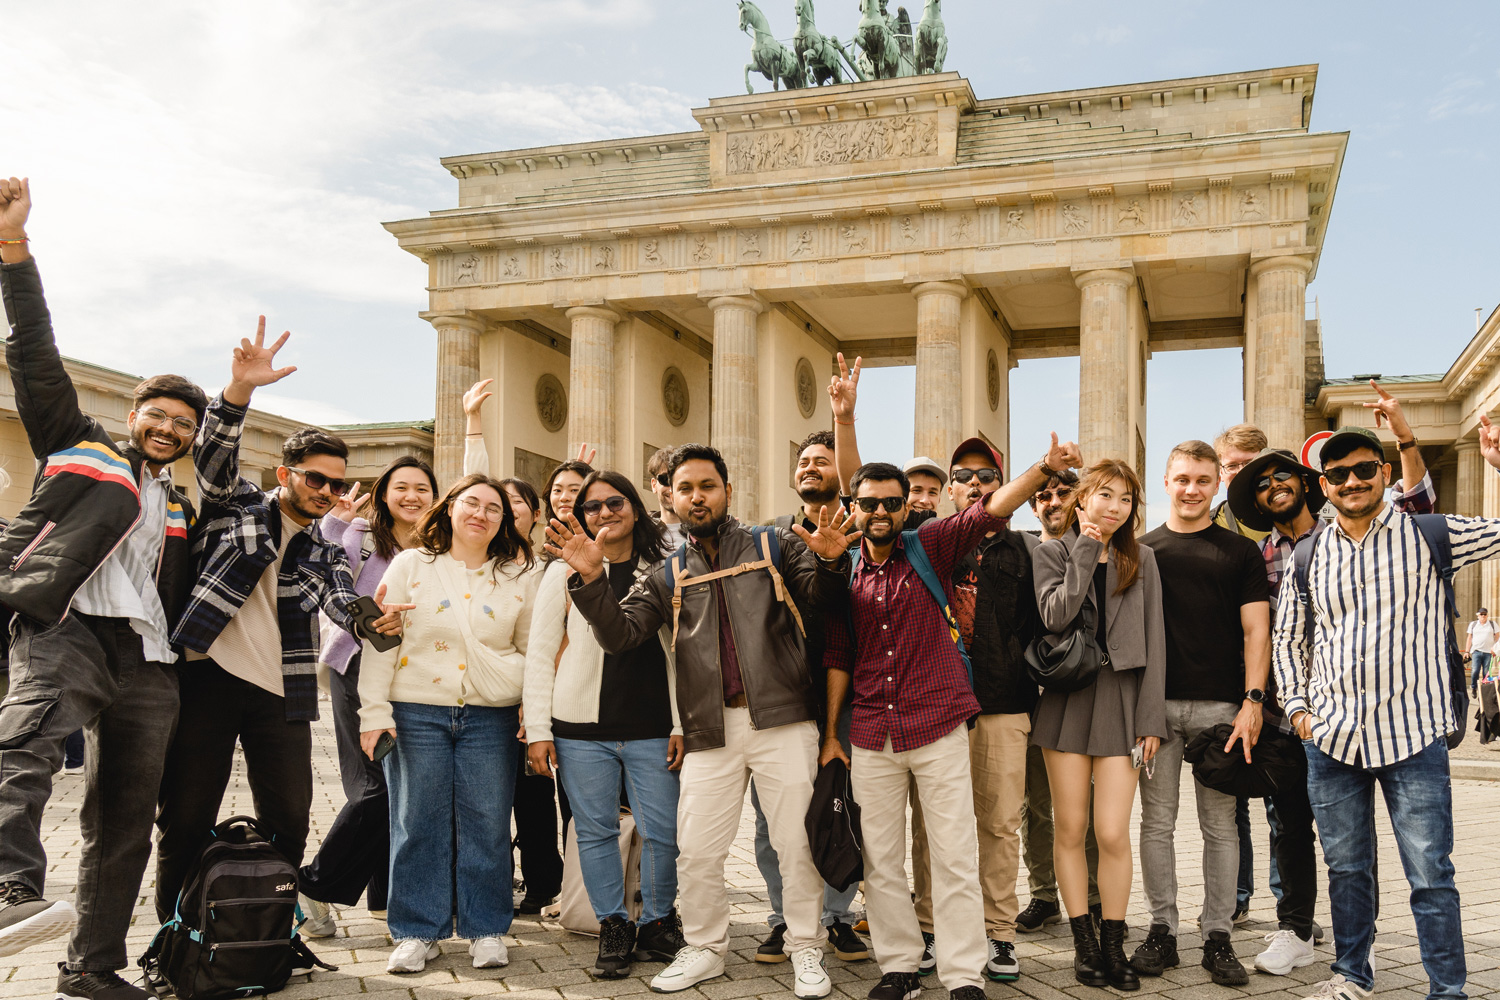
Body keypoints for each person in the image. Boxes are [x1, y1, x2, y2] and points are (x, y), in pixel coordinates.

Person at [0, 176, 208, 1000]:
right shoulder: (80, 448)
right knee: (25, 744)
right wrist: (15, 254)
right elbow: (36, 358)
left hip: (149, 663)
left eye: (182, 425)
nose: (167, 429)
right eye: (158, 415)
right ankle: (10, 887)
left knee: (123, 822)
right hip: (70, 626)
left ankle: (92, 967)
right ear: (134, 413)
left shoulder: (182, 501)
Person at [551, 443, 857, 998]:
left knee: (795, 844)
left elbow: (824, 603)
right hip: (709, 729)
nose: (697, 498)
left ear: (727, 491)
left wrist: (832, 562)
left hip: (784, 720)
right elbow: (621, 636)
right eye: (685, 488)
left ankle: (807, 950)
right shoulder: (668, 570)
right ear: (670, 495)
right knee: (696, 848)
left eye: (707, 486)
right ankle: (704, 947)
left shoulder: (773, 543)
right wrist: (594, 580)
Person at [153, 319, 407, 927]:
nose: (326, 490)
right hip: (208, 677)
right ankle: (174, 935)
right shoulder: (237, 506)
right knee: (186, 817)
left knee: (290, 821)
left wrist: (380, 623)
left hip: (282, 691)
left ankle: (269, 934)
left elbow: (341, 598)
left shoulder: (322, 549)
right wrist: (238, 392)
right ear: (285, 475)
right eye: (315, 478)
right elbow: (214, 458)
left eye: (337, 483)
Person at [823, 429, 1081, 1000]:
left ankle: (963, 973)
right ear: (856, 509)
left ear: (905, 506)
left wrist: (1044, 467)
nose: (883, 511)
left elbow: (990, 510)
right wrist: (830, 736)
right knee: (883, 861)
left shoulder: (930, 545)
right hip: (871, 732)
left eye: (893, 501)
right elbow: (839, 654)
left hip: (937, 723)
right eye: (870, 503)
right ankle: (899, 968)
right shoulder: (846, 572)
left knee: (955, 852)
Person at [1272, 422, 1500, 1000]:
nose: (1351, 481)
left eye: (1363, 469)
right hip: (1331, 739)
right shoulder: (1308, 553)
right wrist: (1300, 713)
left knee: (1430, 876)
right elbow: (1289, 641)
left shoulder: (1431, 534)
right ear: (1324, 485)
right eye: (1338, 474)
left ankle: (1448, 989)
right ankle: (1351, 976)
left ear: (1385, 474)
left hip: (1413, 735)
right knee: (1347, 872)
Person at [358, 473, 539, 974]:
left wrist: (525, 699)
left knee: (487, 820)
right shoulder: (411, 564)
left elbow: (531, 649)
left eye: (494, 508)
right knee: (417, 821)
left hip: (490, 716)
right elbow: (383, 639)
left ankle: (486, 929)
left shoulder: (518, 576)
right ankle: (418, 931)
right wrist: (373, 714)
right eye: (471, 503)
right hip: (416, 712)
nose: (481, 513)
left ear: (505, 521)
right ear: (450, 509)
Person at [897, 437, 1051, 983]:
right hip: (936, 709)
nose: (974, 484)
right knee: (932, 828)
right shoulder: (925, 545)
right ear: (949, 488)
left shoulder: (1027, 551)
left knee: (999, 824)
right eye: (962, 475)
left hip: (1003, 705)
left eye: (988, 476)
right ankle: (930, 928)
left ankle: (998, 933)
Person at [525, 470, 687, 979]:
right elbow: (540, 653)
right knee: (593, 831)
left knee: (663, 831)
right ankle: (613, 925)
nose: (604, 513)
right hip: (579, 727)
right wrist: (538, 730)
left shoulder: (662, 569)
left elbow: (682, 652)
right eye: (592, 507)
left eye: (615, 502)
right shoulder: (560, 573)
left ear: (636, 509)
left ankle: (659, 921)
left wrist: (682, 723)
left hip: (653, 724)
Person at [1131, 442, 1269, 987]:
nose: (1192, 489)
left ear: (1217, 486)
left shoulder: (1240, 553)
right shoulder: (1141, 551)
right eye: (1182, 478)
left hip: (1221, 710)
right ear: (1165, 482)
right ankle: (1162, 930)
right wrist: (1139, 713)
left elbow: (1256, 631)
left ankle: (1218, 937)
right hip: (1156, 710)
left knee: (1219, 827)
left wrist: (1252, 704)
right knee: (1157, 823)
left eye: (1203, 480)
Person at [1032, 459, 1166, 991]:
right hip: (1066, 703)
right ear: (1080, 499)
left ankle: (1115, 943)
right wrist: (1084, 548)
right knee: (1070, 829)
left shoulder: (1145, 560)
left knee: (1111, 832)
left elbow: (1156, 643)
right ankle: (1083, 944)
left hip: (1125, 704)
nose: (1114, 507)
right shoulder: (1052, 552)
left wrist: (1151, 719)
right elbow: (1055, 616)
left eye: (1125, 498)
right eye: (1104, 495)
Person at [297, 456, 438, 937]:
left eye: (422, 488)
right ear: (384, 495)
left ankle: (384, 900)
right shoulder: (357, 533)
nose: (412, 497)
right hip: (358, 664)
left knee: (399, 786)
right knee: (374, 786)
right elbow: (317, 562)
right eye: (401, 487)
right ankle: (313, 887)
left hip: (417, 675)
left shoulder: (438, 545)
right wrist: (336, 520)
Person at [752, 430, 865, 966]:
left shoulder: (863, 527)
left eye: (822, 461)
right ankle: (782, 919)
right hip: (784, 694)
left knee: (842, 806)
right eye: (803, 461)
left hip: (850, 686)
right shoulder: (769, 535)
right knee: (773, 817)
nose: (810, 468)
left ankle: (838, 918)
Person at [462, 379, 568, 913]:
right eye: (498, 504)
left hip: (530, 698)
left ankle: (546, 882)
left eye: (516, 503)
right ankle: (493, 885)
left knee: (533, 797)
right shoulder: (478, 560)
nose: (505, 510)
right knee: (485, 801)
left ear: (531, 512)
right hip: (479, 700)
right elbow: (467, 483)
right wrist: (473, 425)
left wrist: (536, 701)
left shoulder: (545, 565)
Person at [1016, 469, 1102, 935]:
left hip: (1083, 690)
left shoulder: (1095, 547)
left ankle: (1092, 897)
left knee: (1084, 805)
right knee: (1036, 804)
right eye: (1042, 495)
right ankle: (1043, 894)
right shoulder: (1024, 549)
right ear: (1032, 507)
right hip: (1034, 693)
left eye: (1062, 492)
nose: (1051, 501)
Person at [647, 446, 689, 547]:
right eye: (665, 480)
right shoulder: (641, 533)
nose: (672, 489)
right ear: (654, 485)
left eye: (679, 481)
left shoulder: (707, 533)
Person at [1465, 609, 1495, 695]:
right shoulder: (1473, 624)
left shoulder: (1492, 624)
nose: (1483, 616)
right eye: (1481, 614)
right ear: (1478, 615)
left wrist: (1495, 649)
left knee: (1486, 672)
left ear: (1487, 615)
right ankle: (1474, 687)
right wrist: (1467, 651)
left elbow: (1497, 637)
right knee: (1475, 671)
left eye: (1485, 614)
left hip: (1488, 652)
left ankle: (1485, 690)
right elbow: (1469, 638)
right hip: (1476, 651)